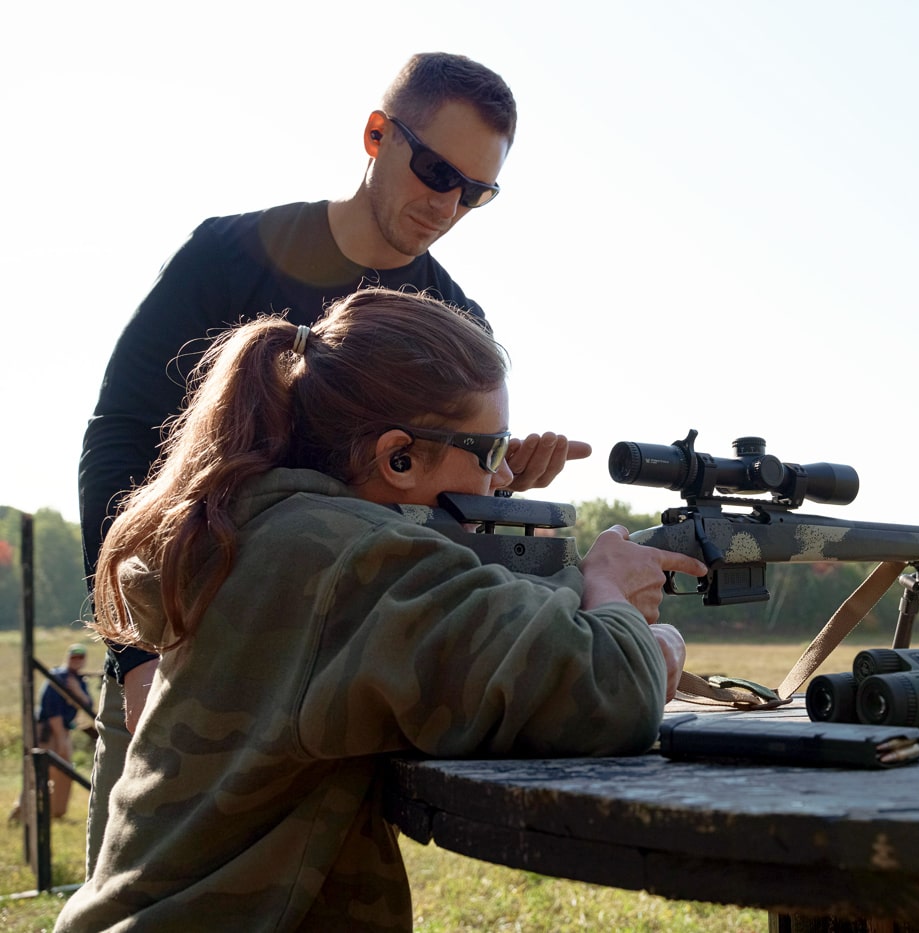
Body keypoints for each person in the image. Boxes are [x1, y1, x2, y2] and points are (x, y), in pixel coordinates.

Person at [55, 288, 706, 931]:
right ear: (398, 457)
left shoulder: (261, 532)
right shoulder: (353, 561)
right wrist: (618, 597)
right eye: (491, 452)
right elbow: (606, 691)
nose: (503, 480)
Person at [77, 51, 585, 874]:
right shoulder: (228, 256)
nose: (446, 203)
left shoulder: (454, 319)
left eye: (475, 191)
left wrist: (494, 481)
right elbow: (120, 439)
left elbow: (424, 525)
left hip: (336, 691)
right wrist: (137, 656)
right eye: (434, 170)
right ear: (376, 135)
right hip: (183, 662)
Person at [8, 645, 92, 822]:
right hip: (49, 731)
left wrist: (77, 691)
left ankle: (56, 812)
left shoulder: (79, 681)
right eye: (74, 657)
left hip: (65, 731)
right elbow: (53, 711)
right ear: (67, 657)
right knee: (39, 771)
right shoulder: (57, 677)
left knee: (65, 773)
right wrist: (60, 739)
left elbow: (88, 705)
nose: (77, 661)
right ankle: (21, 811)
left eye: (80, 657)